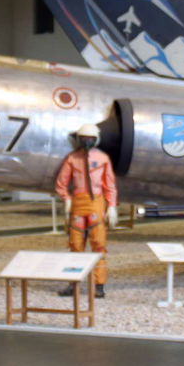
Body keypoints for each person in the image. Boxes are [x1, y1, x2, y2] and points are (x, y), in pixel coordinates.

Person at [55, 123, 118, 299]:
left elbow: (110, 185)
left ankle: (99, 285)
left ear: (96, 139)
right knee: (75, 245)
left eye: (90, 139)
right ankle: (73, 283)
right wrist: (66, 200)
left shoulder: (103, 159)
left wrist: (111, 206)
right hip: (78, 202)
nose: (86, 142)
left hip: (96, 202)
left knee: (98, 244)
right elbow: (61, 183)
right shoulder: (72, 159)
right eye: (83, 138)